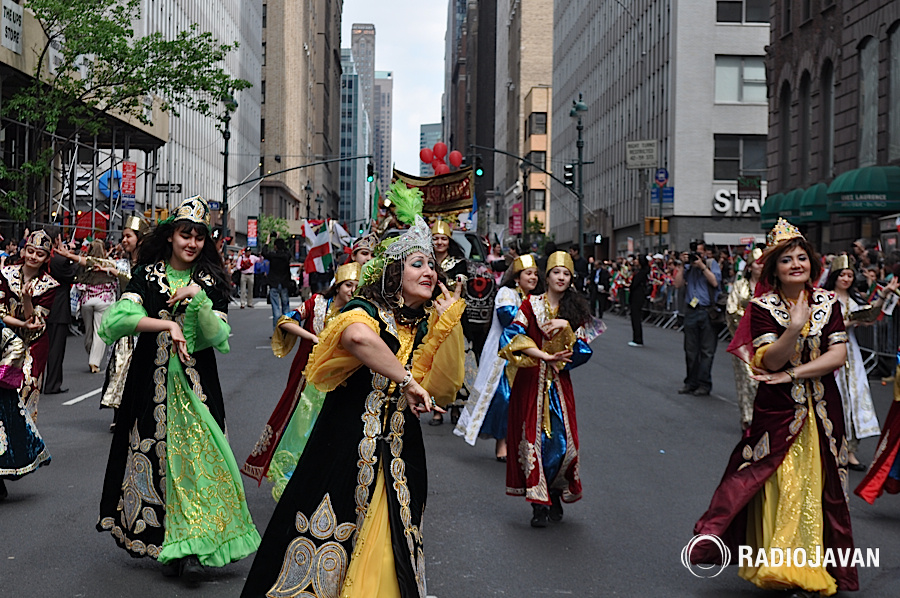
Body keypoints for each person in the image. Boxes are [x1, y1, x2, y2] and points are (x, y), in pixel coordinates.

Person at [240, 205, 465, 597]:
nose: (429, 270)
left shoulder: (425, 324)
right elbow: (357, 339)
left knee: (390, 547)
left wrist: (448, 328)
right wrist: (407, 379)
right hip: (344, 446)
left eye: (432, 264)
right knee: (322, 541)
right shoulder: (365, 311)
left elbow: (443, 386)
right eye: (417, 263)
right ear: (394, 273)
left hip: (399, 453)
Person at [96, 195, 260, 581]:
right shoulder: (148, 274)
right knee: (157, 461)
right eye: (185, 235)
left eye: (199, 238)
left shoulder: (211, 280)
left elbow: (217, 335)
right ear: (171, 236)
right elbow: (120, 319)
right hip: (150, 385)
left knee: (202, 461)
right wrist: (166, 324)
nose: (191, 243)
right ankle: (170, 541)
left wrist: (198, 299)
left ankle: (195, 543)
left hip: (196, 385)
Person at [691, 219, 857, 596]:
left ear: (812, 264)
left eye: (802, 257)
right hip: (778, 413)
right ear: (774, 269)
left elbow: (838, 355)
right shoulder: (762, 306)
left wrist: (796, 373)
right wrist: (794, 328)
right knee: (780, 486)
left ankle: (809, 567)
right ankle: (783, 568)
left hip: (823, 413)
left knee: (818, 487)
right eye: (787, 260)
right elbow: (769, 362)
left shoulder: (828, 302)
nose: (796, 264)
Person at [241, 262, 361, 500]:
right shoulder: (316, 303)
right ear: (337, 285)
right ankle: (291, 479)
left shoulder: (356, 313)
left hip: (335, 380)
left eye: (356, 286)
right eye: (348, 285)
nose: (352, 290)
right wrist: (313, 338)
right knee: (297, 427)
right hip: (306, 377)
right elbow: (285, 321)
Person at [501, 251, 599, 528]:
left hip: (558, 384)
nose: (561, 277)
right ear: (547, 276)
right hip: (531, 380)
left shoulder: (573, 313)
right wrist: (542, 356)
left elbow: (583, 350)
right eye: (557, 272)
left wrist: (566, 327)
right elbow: (512, 337)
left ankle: (555, 492)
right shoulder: (530, 305)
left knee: (564, 444)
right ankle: (538, 503)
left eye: (566, 274)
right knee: (532, 440)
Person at [454, 254, 540, 460]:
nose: (533, 277)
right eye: (528, 273)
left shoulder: (537, 299)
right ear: (517, 277)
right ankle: (502, 443)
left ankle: (521, 444)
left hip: (529, 355)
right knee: (503, 399)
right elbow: (509, 318)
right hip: (503, 356)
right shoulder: (506, 293)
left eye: (536, 274)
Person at [823, 255, 896, 470]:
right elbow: (826, 326)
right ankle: (832, 449)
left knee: (855, 398)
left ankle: (851, 451)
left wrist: (884, 295)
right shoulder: (824, 299)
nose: (846, 279)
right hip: (830, 352)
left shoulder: (854, 300)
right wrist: (848, 322)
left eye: (849, 275)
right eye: (842, 275)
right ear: (834, 277)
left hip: (851, 354)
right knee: (834, 400)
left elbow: (870, 313)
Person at [0, 231, 58, 500]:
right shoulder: (5, 273)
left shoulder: (49, 286)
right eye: (31, 251)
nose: (34, 256)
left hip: (32, 348)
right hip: (4, 342)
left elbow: (34, 324)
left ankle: (17, 454)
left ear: (47, 257)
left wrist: (25, 299)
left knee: (22, 398)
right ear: (24, 250)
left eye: (40, 253)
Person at [100, 216, 151, 429]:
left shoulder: (149, 265)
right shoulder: (122, 262)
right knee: (118, 367)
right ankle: (118, 414)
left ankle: (137, 413)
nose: (124, 240)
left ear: (140, 239)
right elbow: (97, 263)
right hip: (125, 326)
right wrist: (71, 257)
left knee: (140, 370)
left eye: (128, 236)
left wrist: (117, 274)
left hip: (144, 324)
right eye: (123, 237)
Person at [429, 218, 469, 426]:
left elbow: (463, 282)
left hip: (453, 314)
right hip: (432, 313)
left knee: (454, 359)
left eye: (443, 238)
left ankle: (455, 407)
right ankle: (437, 409)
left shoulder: (459, 262)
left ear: (449, 241)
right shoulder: (426, 260)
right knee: (436, 360)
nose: (439, 242)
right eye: (435, 238)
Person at [673, 240, 721, 396]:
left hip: (707, 312)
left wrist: (702, 266)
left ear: (706, 253)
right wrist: (681, 265)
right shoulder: (687, 266)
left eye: (699, 253)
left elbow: (714, 282)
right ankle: (690, 382)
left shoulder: (711, 264)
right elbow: (678, 284)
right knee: (690, 350)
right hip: (691, 311)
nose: (696, 256)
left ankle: (704, 384)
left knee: (707, 351)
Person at [725, 247, 763, 431]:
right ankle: (747, 418)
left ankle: (764, 418)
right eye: (757, 263)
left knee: (764, 381)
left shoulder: (772, 287)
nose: (761, 266)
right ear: (750, 266)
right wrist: (749, 316)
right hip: (744, 340)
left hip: (767, 341)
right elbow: (731, 310)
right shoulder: (741, 285)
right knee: (747, 380)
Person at [43, 228, 80, 394]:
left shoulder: (46, 259)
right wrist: (73, 258)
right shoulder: (57, 260)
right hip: (57, 308)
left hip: (44, 307)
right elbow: (72, 274)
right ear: (56, 240)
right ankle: (52, 384)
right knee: (56, 350)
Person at [74, 239, 119, 373]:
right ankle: (94, 362)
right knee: (99, 331)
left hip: (87, 301)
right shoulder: (109, 263)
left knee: (88, 331)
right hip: (104, 300)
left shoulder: (86, 263)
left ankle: (90, 348)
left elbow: (78, 279)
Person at [262, 233, 292, 332]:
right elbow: (288, 252)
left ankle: (276, 331)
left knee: (275, 308)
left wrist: (267, 242)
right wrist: (280, 240)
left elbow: (264, 252)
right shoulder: (286, 256)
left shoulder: (273, 256)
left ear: (275, 247)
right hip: (284, 283)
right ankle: (286, 329)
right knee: (286, 307)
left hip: (274, 283)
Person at [627, 254, 649, 347]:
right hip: (637, 295)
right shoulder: (639, 271)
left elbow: (635, 284)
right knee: (635, 316)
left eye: (636, 259)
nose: (635, 261)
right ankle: (636, 337)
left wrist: (631, 286)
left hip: (638, 296)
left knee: (636, 317)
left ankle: (638, 339)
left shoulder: (642, 273)